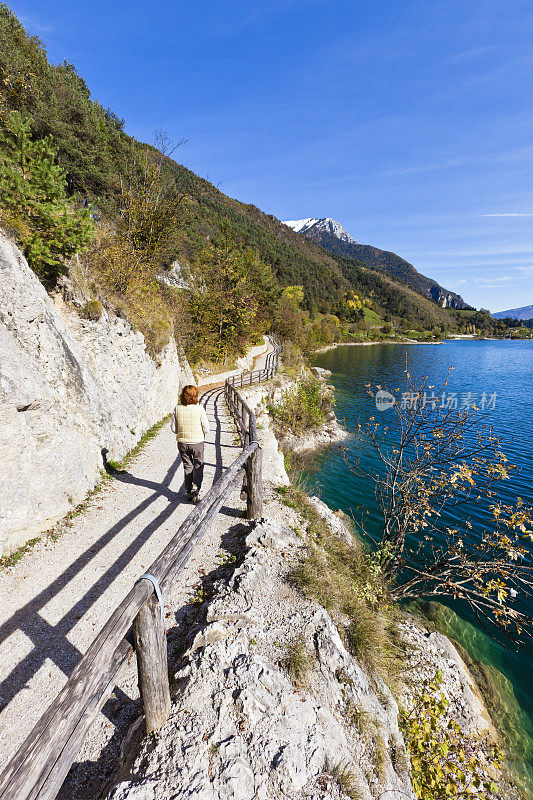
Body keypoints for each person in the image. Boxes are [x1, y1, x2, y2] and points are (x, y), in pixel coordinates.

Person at [171, 384, 210, 502]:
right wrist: (201, 432)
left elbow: (174, 428)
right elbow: (207, 428)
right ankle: (196, 488)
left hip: (182, 442)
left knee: (187, 466)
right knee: (198, 465)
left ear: (183, 396)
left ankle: (188, 491)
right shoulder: (200, 409)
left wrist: (181, 432)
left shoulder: (177, 408)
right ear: (195, 396)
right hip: (197, 442)